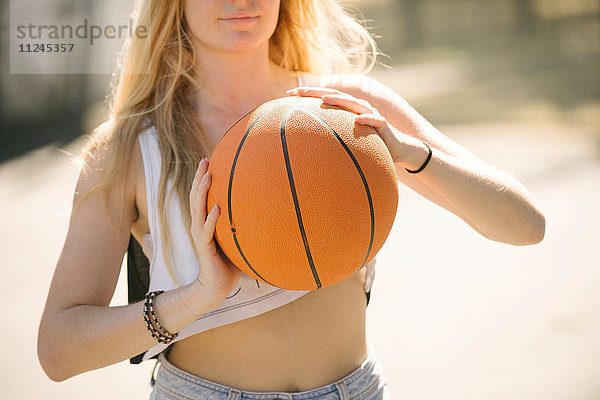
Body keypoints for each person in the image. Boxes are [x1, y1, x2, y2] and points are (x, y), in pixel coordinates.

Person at [37, 0, 546, 399]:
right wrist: (194, 299)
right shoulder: (129, 147)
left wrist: (412, 154)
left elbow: (525, 226)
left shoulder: (348, 109)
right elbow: (59, 350)